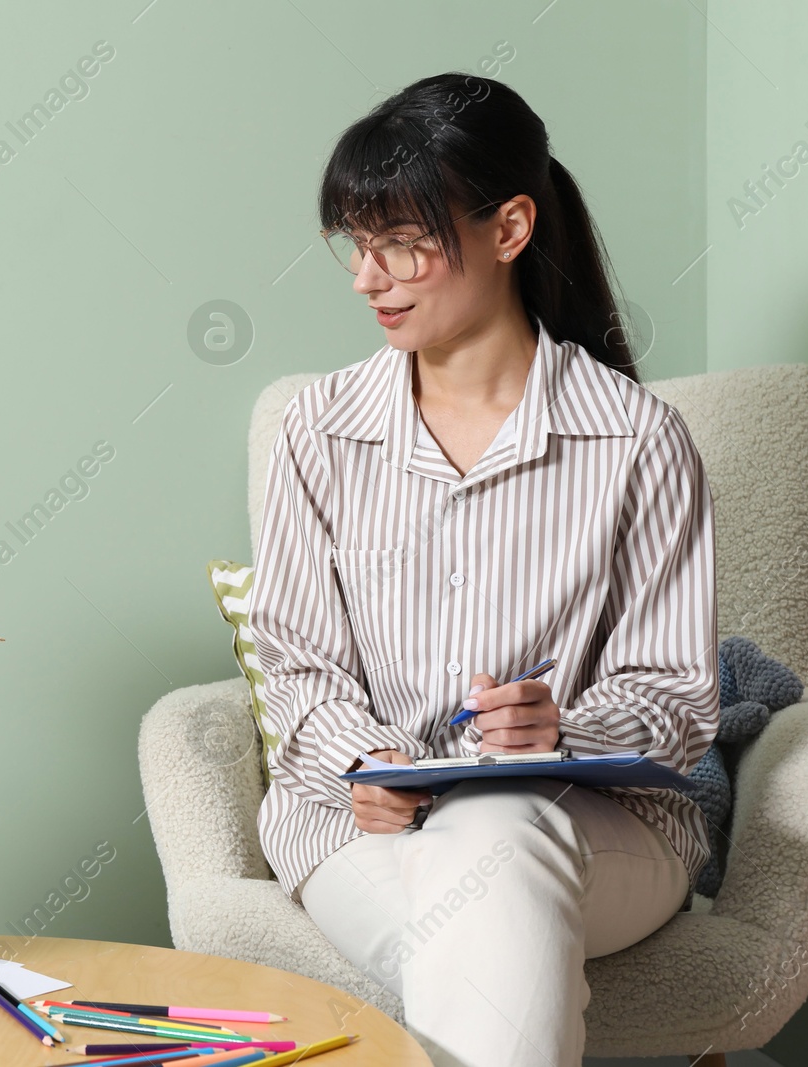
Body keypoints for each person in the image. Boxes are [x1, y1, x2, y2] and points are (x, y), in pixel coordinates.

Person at [248, 73, 718, 1067]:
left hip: (605, 831)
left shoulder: (638, 440)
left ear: (509, 228)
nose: (366, 278)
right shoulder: (317, 431)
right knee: (488, 896)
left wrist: (563, 723)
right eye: (355, 244)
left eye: (402, 244)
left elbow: (677, 698)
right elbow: (296, 667)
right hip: (353, 824)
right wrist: (364, 764)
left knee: (499, 827)